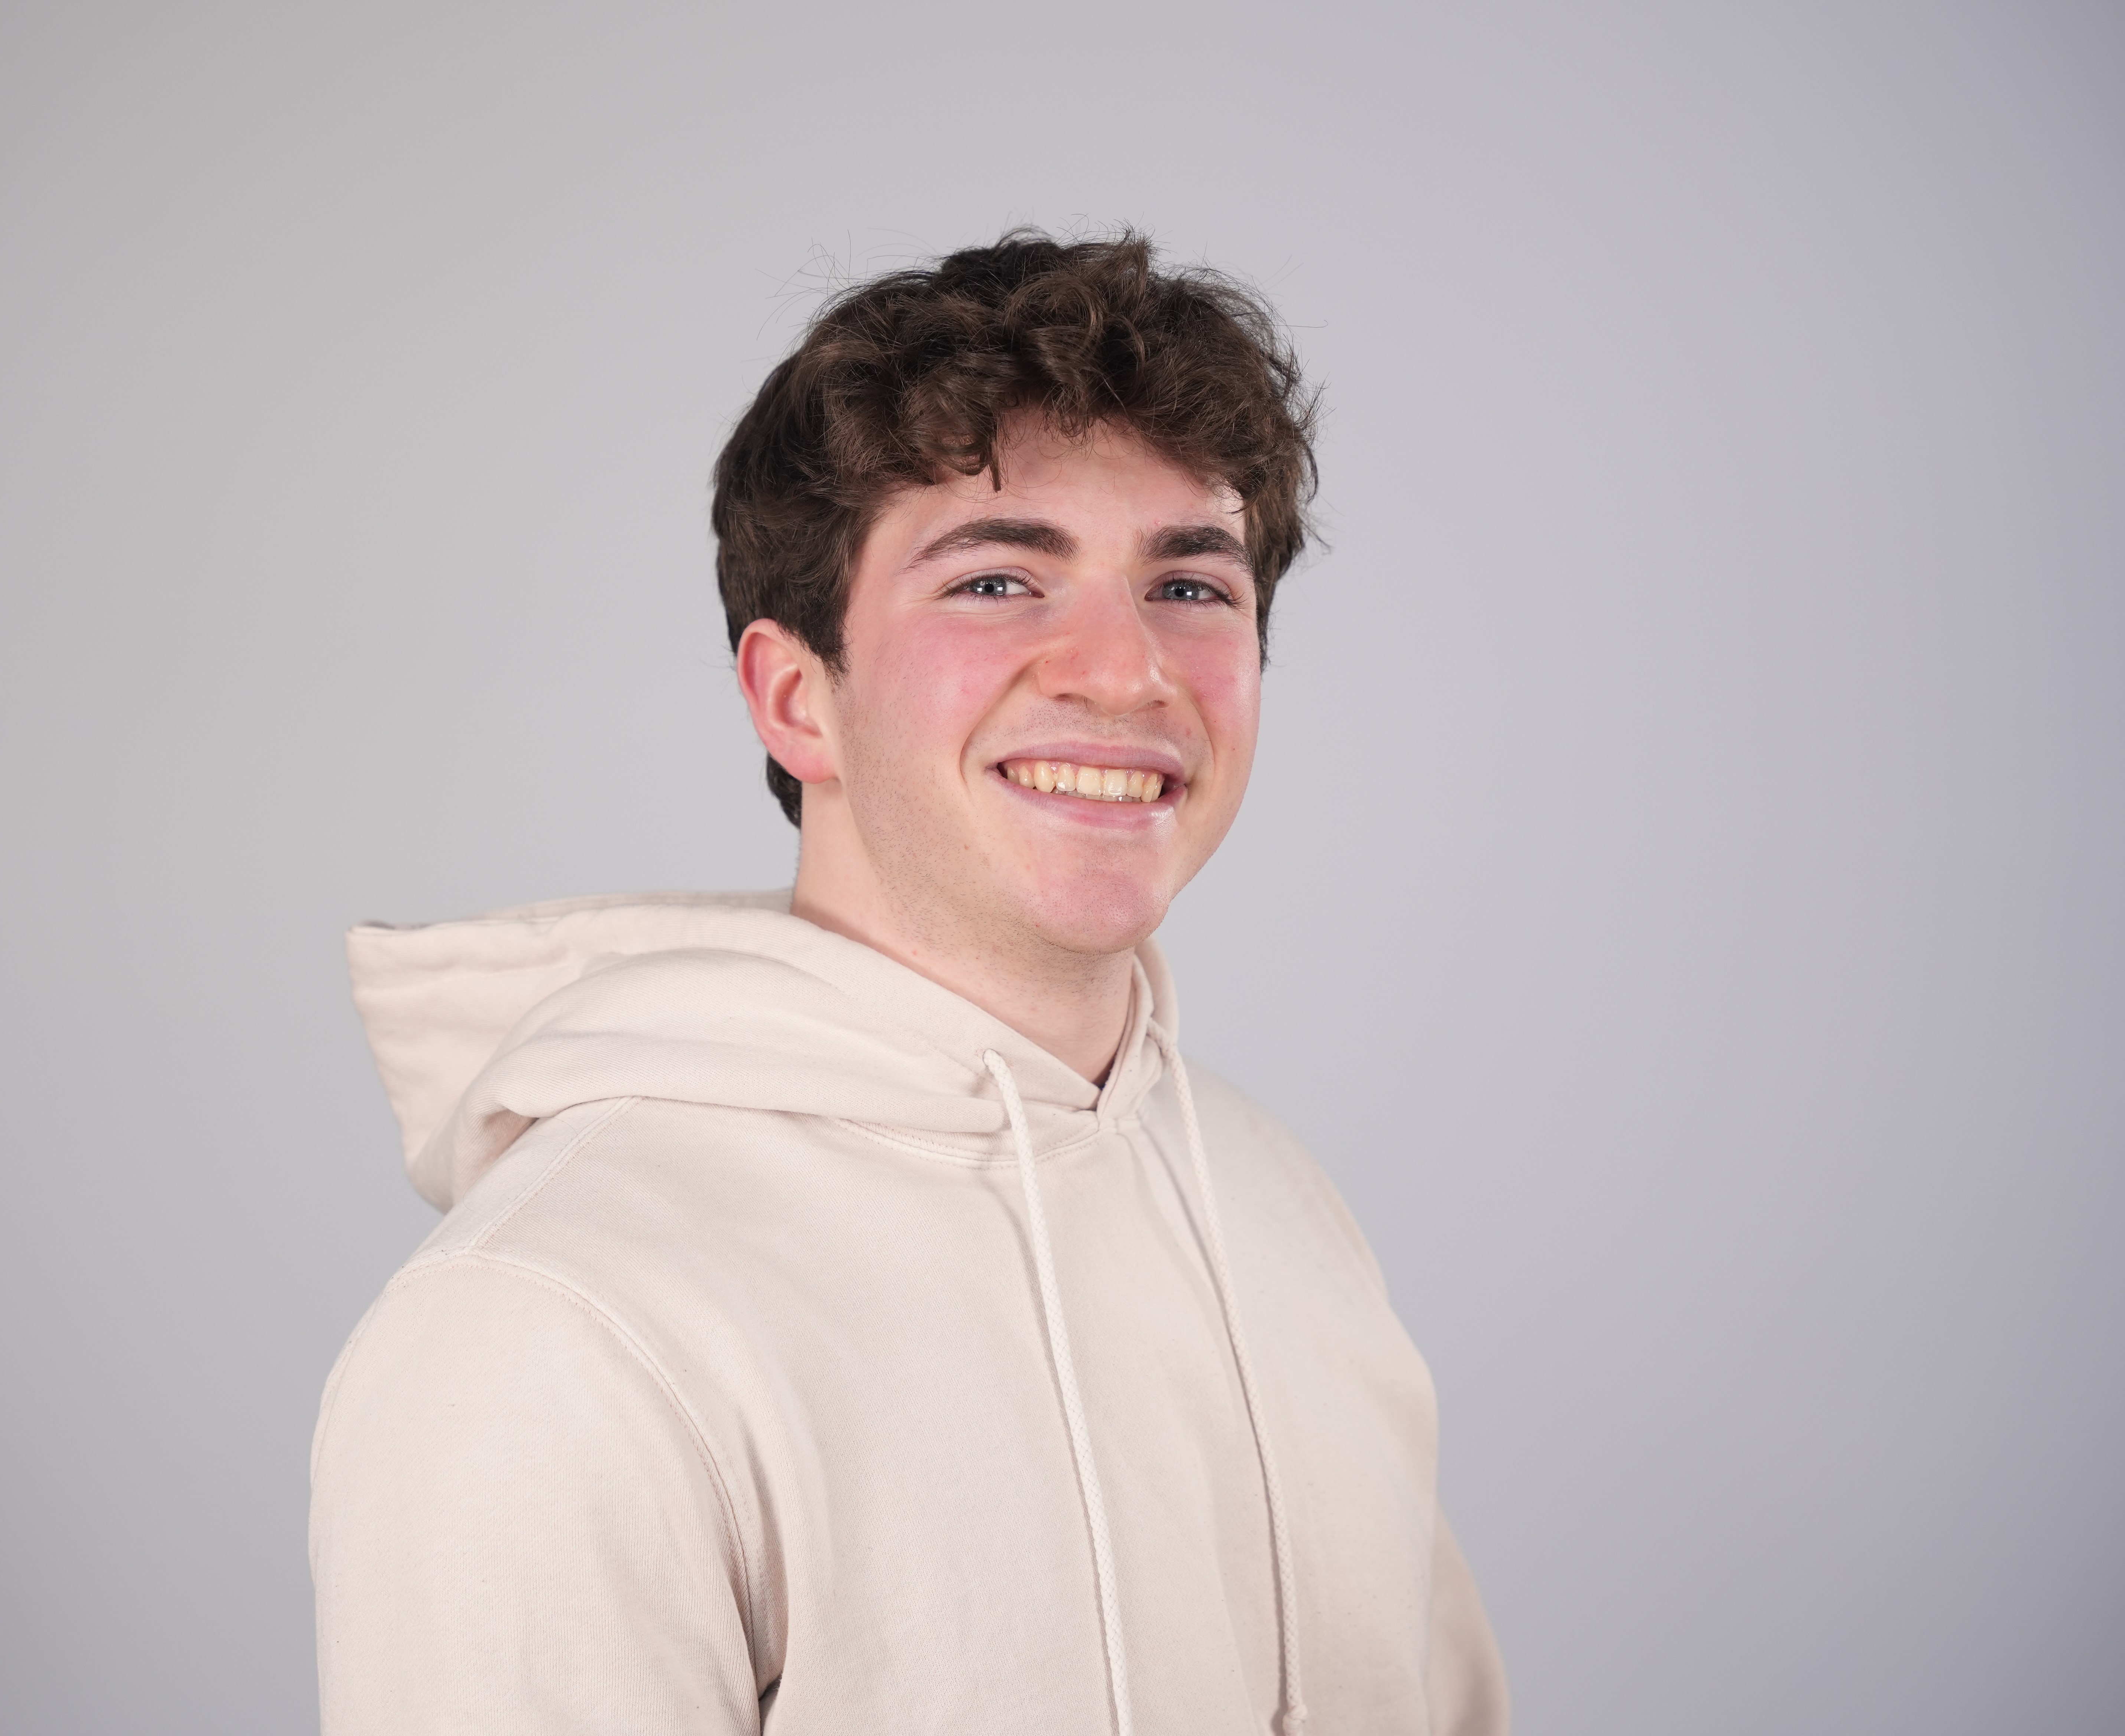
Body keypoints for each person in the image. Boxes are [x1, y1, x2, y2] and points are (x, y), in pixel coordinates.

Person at [311, 230, 1509, 1735]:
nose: (1126, 670)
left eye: (1190, 585)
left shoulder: (1279, 1213)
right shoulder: (559, 1325)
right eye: (1001, 578)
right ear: (797, 695)